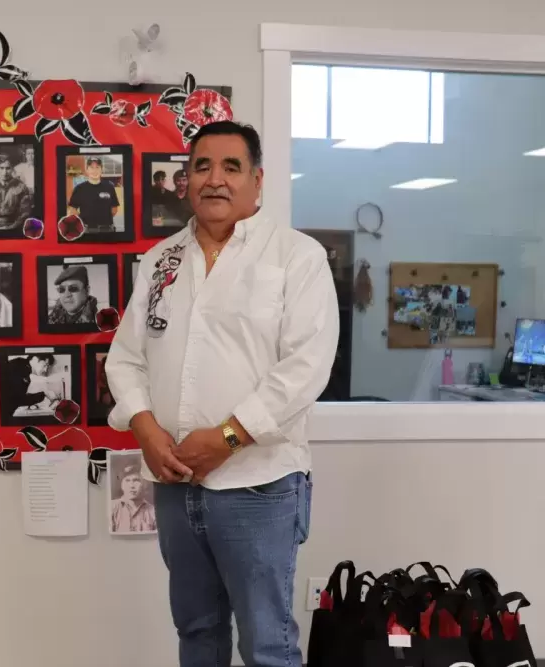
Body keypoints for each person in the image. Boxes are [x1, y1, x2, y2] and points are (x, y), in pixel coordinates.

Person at [104, 120, 339, 667]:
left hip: (259, 485)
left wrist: (229, 437)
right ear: (185, 181)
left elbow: (305, 368)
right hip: (175, 482)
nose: (215, 179)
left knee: (266, 644)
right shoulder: (160, 261)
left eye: (231, 167)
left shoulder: (295, 258)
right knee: (197, 631)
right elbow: (126, 358)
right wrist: (145, 428)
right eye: (202, 167)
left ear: (257, 181)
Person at [67, 156, 120, 234]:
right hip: (86, 230)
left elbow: (114, 209)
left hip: (107, 230)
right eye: (91, 167)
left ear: (101, 169)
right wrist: (83, 221)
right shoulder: (79, 188)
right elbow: (73, 210)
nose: (94, 170)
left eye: (97, 167)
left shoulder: (109, 187)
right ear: (87, 169)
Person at [110, 460, 156, 533]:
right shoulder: (112, 508)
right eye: (127, 480)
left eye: (136, 480)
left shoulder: (153, 511)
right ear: (122, 485)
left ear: (144, 484)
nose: (131, 486)